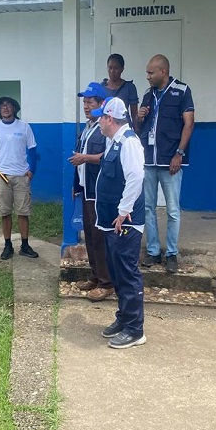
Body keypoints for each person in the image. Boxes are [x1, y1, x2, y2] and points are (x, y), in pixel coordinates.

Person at [92, 97, 147, 349]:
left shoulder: (129, 142)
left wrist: (124, 212)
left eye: (100, 117)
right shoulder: (114, 141)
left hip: (125, 222)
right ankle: (124, 319)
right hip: (112, 222)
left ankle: (135, 330)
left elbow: (136, 177)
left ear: (109, 119)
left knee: (127, 274)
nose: (98, 121)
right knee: (116, 273)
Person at [136, 54, 195, 274]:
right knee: (148, 209)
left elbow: (189, 124)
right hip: (149, 160)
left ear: (163, 72)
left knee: (172, 210)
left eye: (151, 73)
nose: (148, 77)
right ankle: (153, 251)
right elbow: (139, 128)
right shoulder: (147, 95)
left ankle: (171, 254)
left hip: (171, 161)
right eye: (147, 73)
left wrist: (179, 154)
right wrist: (139, 117)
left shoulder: (182, 91)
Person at [69, 82, 113, 302]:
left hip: (100, 192)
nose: (86, 106)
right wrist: (76, 185)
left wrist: (84, 159)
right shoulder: (88, 127)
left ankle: (107, 283)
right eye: (85, 102)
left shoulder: (106, 128)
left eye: (90, 102)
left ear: (101, 104)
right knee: (89, 236)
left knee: (99, 238)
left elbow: (108, 157)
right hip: (86, 189)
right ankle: (95, 277)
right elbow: (79, 158)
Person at [0, 96, 40, 260]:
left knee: (23, 212)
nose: (6, 108)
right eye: (2, 106)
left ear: (14, 108)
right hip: (2, 176)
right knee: (5, 212)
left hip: (22, 176)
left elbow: (33, 149)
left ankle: (25, 245)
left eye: (8, 105)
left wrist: (32, 170)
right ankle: (7, 245)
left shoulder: (24, 127)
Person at [102, 53, 139, 124]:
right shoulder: (102, 87)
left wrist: (137, 131)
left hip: (123, 126)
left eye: (116, 68)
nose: (112, 71)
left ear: (122, 69)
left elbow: (134, 114)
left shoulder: (129, 87)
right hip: (106, 127)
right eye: (110, 68)